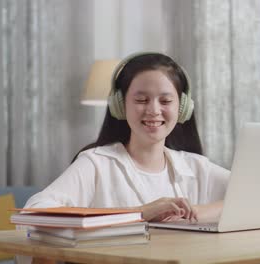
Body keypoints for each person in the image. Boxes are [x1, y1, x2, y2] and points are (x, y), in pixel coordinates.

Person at [24, 52, 230, 223]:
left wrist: (192, 214)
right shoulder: (96, 163)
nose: (154, 110)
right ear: (121, 105)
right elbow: (34, 212)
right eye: (141, 100)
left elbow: (257, 195)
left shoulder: (196, 167)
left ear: (182, 108)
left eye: (165, 101)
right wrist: (139, 213)